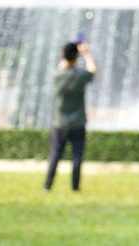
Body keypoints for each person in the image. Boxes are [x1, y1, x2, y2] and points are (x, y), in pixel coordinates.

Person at [44, 40, 96, 192]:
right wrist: (85, 52)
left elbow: (62, 64)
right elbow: (93, 70)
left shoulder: (57, 75)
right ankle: (75, 187)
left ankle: (47, 185)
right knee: (77, 157)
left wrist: (69, 53)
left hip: (59, 122)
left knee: (55, 155)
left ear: (62, 55)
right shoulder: (80, 76)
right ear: (77, 57)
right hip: (78, 122)